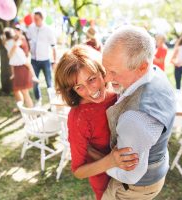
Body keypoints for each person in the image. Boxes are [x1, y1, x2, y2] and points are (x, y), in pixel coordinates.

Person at [101, 26, 176, 200]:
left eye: (113, 72)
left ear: (142, 67)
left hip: (134, 188)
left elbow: (130, 175)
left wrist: (101, 162)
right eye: (106, 69)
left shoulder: (135, 119)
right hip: (157, 169)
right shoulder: (156, 72)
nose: (106, 79)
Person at [54, 45, 139, 200]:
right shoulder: (79, 117)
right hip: (107, 186)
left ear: (101, 70)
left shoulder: (120, 94)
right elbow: (78, 171)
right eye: (79, 87)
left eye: (92, 79)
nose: (90, 90)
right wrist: (111, 161)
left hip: (136, 182)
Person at [27, 9, 57, 106]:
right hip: (34, 60)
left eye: (37, 19)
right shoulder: (31, 28)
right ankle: (38, 100)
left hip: (45, 60)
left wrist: (54, 61)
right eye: (34, 19)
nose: (35, 21)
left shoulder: (48, 30)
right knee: (34, 81)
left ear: (42, 19)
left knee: (49, 82)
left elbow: (53, 46)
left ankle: (52, 102)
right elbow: (28, 41)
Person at [2, 27, 35, 108]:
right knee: (17, 90)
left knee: (24, 91)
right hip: (18, 67)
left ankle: (31, 111)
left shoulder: (9, 42)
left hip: (21, 67)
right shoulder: (14, 41)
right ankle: (22, 107)